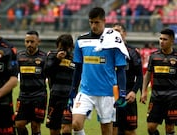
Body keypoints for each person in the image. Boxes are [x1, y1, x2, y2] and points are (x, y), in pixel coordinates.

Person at [68, 7, 129, 135]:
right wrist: (73, 91)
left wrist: (122, 93)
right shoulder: (81, 41)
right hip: (86, 91)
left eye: (97, 22)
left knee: (106, 130)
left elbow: (121, 69)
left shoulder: (114, 40)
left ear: (104, 21)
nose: (93, 26)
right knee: (76, 124)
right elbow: (78, 68)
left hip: (107, 93)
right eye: (91, 22)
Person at [140, 28, 177, 135]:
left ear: (172, 41)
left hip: (173, 97)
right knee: (151, 127)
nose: (161, 41)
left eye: (165, 39)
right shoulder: (154, 56)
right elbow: (148, 74)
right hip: (156, 97)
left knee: (169, 128)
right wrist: (144, 91)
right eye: (160, 39)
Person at [112, 23, 143, 135]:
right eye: (113, 31)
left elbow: (140, 76)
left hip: (128, 94)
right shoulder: (106, 52)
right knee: (112, 130)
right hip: (111, 94)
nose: (116, 33)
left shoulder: (133, 53)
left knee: (129, 131)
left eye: (118, 30)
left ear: (124, 33)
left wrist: (134, 92)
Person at [15, 30, 47, 135]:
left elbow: (49, 77)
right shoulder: (19, 56)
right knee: (18, 124)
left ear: (38, 42)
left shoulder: (44, 57)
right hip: (23, 96)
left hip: (39, 96)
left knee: (35, 126)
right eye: (27, 41)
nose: (29, 44)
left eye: (32, 42)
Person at [45, 34, 74, 135]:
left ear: (71, 47)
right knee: (54, 129)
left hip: (69, 98)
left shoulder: (75, 58)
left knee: (66, 129)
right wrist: (57, 60)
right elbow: (46, 72)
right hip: (55, 96)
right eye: (61, 47)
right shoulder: (52, 55)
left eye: (66, 47)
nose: (64, 50)